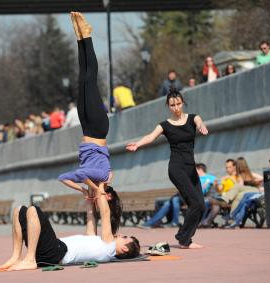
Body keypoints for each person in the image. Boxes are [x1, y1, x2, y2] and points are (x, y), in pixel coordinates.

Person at [57, 12, 121, 234]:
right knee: (90, 78)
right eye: (100, 197)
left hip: (86, 128)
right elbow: (87, 176)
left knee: (82, 79)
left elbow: (62, 177)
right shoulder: (104, 175)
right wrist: (97, 189)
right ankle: (88, 37)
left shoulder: (86, 177)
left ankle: (79, 39)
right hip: (98, 127)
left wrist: (83, 191)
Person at [126, 89, 208, 249]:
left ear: (183, 103)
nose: (176, 107)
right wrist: (137, 144)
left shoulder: (193, 118)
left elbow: (200, 122)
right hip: (177, 169)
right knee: (195, 203)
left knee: (201, 205)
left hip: (191, 169)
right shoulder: (165, 125)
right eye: (172, 105)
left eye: (178, 104)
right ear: (168, 106)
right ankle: (184, 239)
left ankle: (185, 237)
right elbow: (150, 137)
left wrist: (201, 126)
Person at [0, 180, 140, 270]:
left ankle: (30, 259)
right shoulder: (99, 243)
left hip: (56, 252)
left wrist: (101, 186)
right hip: (50, 251)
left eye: (125, 237)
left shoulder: (109, 247)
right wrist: (91, 193)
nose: (121, 234)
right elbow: (91, 214)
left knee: (34, 210)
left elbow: (105, 213)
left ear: (124, 248)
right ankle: (16, 256)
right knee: (19, 210)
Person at [200, 159, 238, 227]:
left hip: (231, 199)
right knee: (215, 206)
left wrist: (231, 178)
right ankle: (206, 222)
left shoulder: (238, 177)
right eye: (226, 167)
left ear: (234, 167)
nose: (227, 169)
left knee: (207, 200)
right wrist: (216, 185)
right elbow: (220, 190)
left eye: (229, 167)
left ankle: (200, 221)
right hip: (222, 199)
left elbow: (239, 186)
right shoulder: (224, 178)